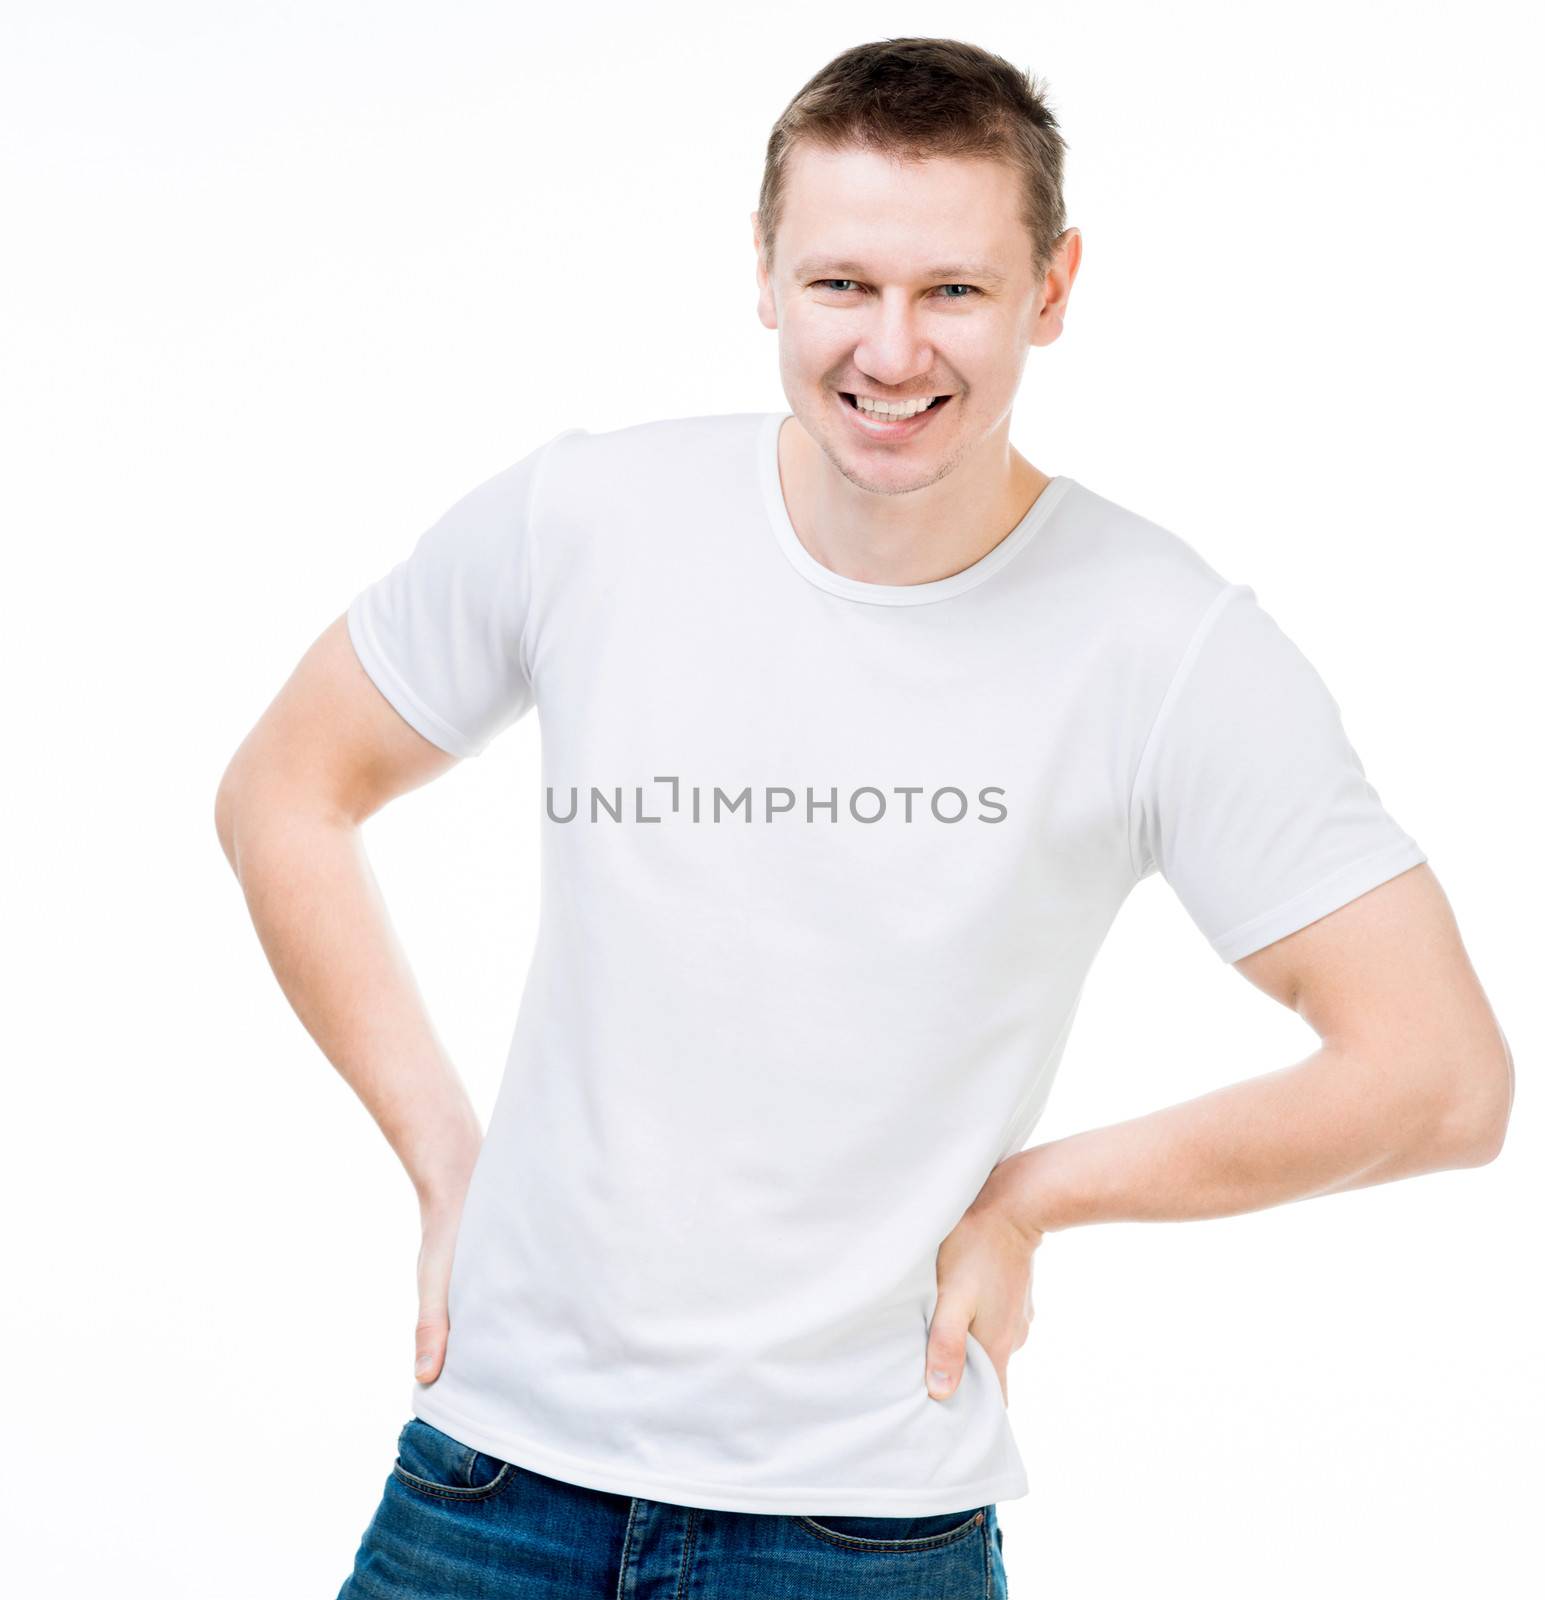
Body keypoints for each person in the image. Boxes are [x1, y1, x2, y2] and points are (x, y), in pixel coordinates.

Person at [214, 36, 1512, 1600]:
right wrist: (442, 1158)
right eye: (841, 285)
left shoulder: (1166, 647)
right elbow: (284, 790)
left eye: (951, 291)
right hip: (493, 1482)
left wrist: (1038, 1196)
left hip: (859, 1532)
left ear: (1053, 287)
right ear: (762, 273)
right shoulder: (583, 519)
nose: (890, 354)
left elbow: (1440, 1080)